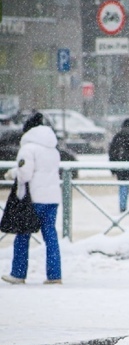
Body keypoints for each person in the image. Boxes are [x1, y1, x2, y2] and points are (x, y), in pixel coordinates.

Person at [2, 112, 63, 285]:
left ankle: (18, 273)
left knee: (22, 235)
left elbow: (25, 174)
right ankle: (54, 275)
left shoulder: (28, 149)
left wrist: (12, 173)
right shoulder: (53, 149)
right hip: (52, 198)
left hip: (33, 199)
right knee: (50, 237)